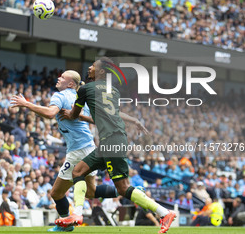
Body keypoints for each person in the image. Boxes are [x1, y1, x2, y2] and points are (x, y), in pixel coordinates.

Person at [56, 57, 176, 234]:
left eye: (93, 66)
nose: (89, 68)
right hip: (113, 140)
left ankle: (164, 213)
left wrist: (72, 114)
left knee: (123, 187)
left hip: (111, 140)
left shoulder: (86, 89)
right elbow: (108, 117)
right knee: (79, 172)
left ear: (102, 71)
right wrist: (133, 119)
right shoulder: (113, 91)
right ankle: (78, 215)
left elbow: (73, 114)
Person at [11, 70, 119, 232]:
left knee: (56, 193)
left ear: (70, 84)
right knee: (90, 192)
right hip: (89, 147)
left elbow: (49, 113)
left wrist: (26, 104)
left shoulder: (60, 96)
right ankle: (126, 190)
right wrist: (78, 116)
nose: (58, 78)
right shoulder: (82, 98)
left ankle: (65, 225)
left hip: (77, 150)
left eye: (62, 77)